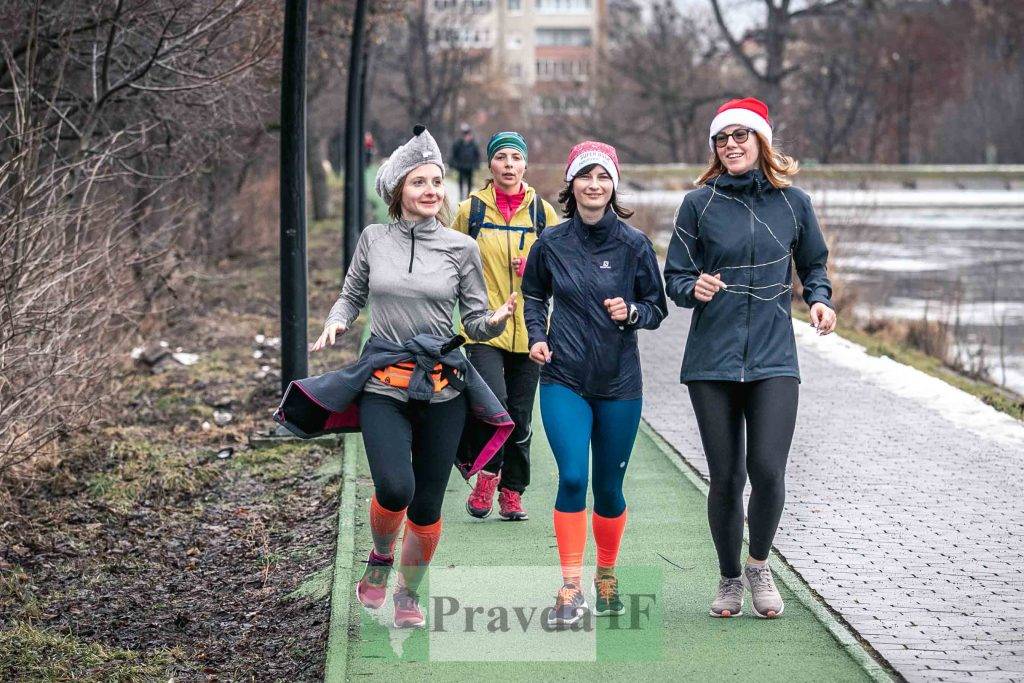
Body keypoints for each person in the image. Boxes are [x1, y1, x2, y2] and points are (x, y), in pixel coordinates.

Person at [278, 125, 517, 629]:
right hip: (383, 383)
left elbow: (472, 320)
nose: (431, 191)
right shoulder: (373, 239)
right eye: (419, 183)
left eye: (437, 182)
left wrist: (493, 321)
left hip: (443, 388)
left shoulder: (460, 248)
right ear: (397, 191)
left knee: (427, 504)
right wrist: (336, 319)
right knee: (394, 488)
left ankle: (409, 593)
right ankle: (382, 553)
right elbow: (352, 294)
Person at [663, 98, 837, 619]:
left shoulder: (795, 203)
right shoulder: (699, 204)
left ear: (761, 141)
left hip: (774, 356)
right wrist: (693, 285)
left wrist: (820, 300)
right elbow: (674, 277)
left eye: (741, 136)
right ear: (715, 149)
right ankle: (730, 577)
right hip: (711, 361)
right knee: (726, 476)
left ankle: (759, 565)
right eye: (722, 139)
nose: (731, 145)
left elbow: (814, 264)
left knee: (767, 469)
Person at [522, 141, 668, 627]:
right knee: (571, 478)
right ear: (571, 185)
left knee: (608, 489)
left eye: (602, 177)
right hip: (564, 377)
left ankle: (607, 575)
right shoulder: (552, 243)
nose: (594, 185)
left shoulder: (634, 245)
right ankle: (569, 587)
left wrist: (632, 313)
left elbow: (657, 308)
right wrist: (537, 336)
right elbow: (533, 294)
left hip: (620, 384)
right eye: (585, 176)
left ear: (613, 185)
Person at [451, 131, 560, 522]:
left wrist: (535, 271)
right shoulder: (470, 212)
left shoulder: (543, 214)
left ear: (525, 165)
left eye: (516, 157)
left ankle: (513, 491)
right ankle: (488, 476)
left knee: (520, 415)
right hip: (483, 329)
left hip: (530, 331)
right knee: (493, 407)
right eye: (501, 158)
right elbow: (449, 262)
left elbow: (562, 272)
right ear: (491, 165)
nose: (509, 165)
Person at [451, 124, 482, 199]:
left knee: (469, 182)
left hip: (470, 167)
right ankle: (461, 195)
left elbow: (477, 155)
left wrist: (476, 164)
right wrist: (454, 164)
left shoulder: (473, 144)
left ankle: (469, 195)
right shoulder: (458, 143)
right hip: (461, 166)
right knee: (461, 181)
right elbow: (454, 154)